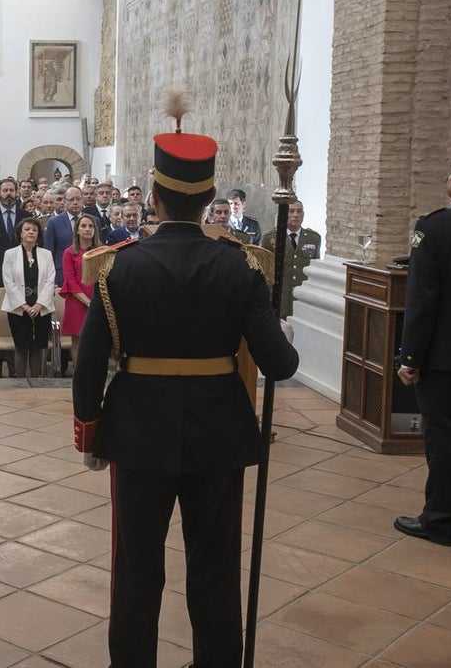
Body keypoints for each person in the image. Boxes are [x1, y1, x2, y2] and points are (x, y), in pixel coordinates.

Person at [73, 106, 298, 668]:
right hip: (219, 435)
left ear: (154, 193)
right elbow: (281, 364)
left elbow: (89, 366)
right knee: (215, 565)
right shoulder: (240, 267)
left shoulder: (117, 268)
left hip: (136, 435)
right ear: (208, 198)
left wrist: (90, 433)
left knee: (136, 568)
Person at [395, 149, 451, 546]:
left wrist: (410, 356)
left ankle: (440, 518)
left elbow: (422, 301)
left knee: (445, 436)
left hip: (447, 358)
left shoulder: (436, 229)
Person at [1, 217, 56, 378]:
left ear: (38, 234)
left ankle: (36, 380)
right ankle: (20, 381)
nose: (31, 232)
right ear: (20, 233)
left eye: (34, 230)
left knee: (38, 346)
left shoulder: (46, 254)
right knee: (21, 346)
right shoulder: (10, 254)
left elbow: (50, 280)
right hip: (18, 308)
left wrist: (39, 304)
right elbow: (8, 282)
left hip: (41, 307)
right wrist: (24, 306)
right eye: (27, 229)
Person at [262, 199, 322, 318]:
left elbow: (315, 270)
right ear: (284, 214)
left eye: (299, 211)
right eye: (291, 211)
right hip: (279, 298)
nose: (296, 215)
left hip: (302, 298)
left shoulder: (313, 238)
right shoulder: (271, 238)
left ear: (303, 215)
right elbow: (264, 271)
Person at [59, 214, 97, 364]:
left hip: (98, 300)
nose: (87, 229)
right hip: (77, 302)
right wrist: (88, 302)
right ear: (77, 230)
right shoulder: (69, 252)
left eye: (91, 226)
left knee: (96, 340)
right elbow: (70, 280)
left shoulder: (102, 250)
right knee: (77, 341)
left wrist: (96, 301)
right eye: (83, 226)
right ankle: (79, 373)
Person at [44, 187, 84, 286]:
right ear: (65, 202)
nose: (75, 202)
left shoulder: (92, 220)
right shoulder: (54, 222)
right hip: (62, 274)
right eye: (71, 200)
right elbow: (49, 252)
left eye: (78, 199)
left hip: (86, 272)